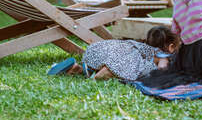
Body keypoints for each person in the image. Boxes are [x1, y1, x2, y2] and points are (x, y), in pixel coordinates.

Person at [49, 26, 179, 81]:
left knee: (117, 60)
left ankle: (79, 69)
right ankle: (98, 75)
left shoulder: (141, 45)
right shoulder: (164, 56)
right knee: (128, 66)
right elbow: (162, 70)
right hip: (119, 57)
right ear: (171, 47)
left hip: (98, 49)